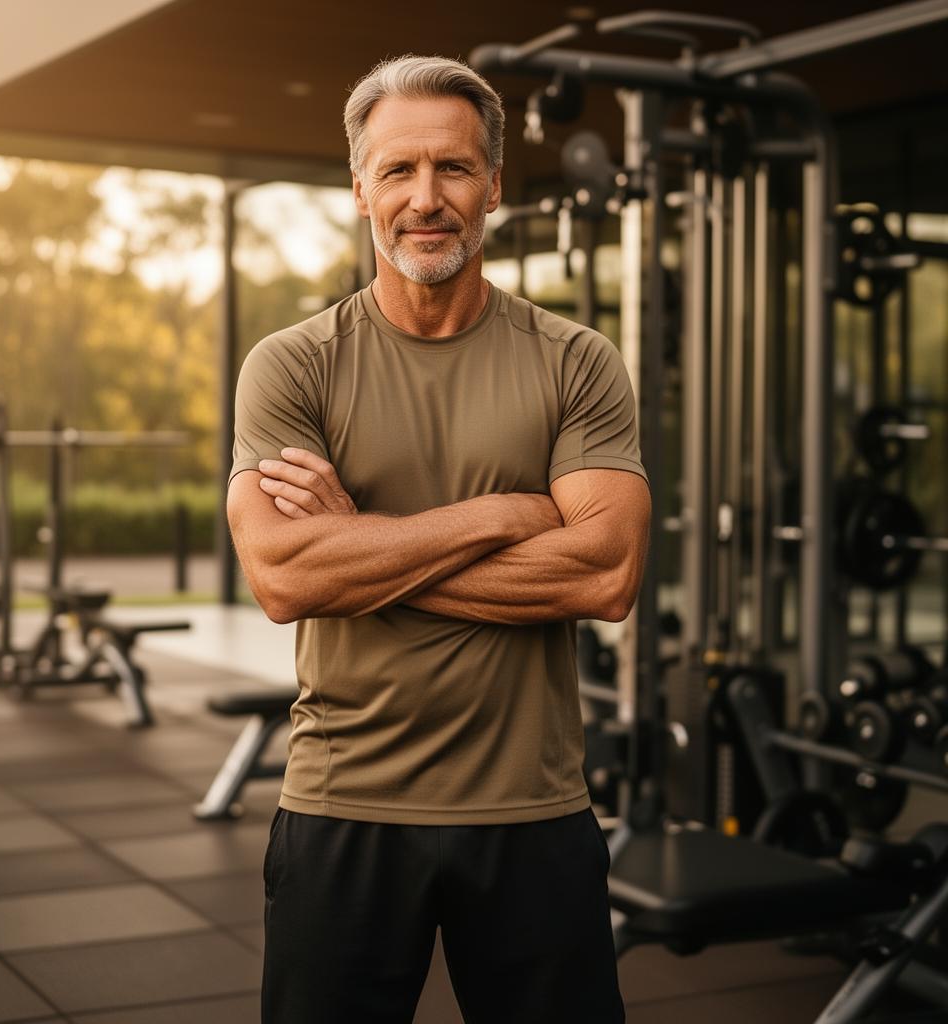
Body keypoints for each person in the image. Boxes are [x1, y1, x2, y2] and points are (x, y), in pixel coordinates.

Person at [228, 54, 650, 1024]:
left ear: (493, 184)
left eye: (453, 168)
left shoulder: (575, 362)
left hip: (533, 811)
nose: (426, 198)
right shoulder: (293, 366)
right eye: (399, 170)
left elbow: (605, 572)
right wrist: (505, 514)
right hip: (342, 804)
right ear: (360, 189)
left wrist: (357, 549)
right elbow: (284, 576)